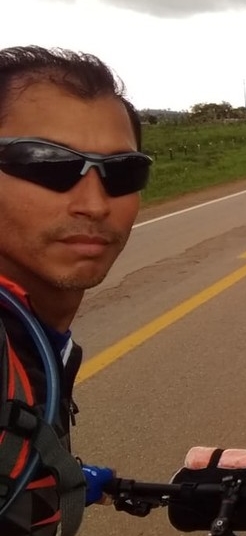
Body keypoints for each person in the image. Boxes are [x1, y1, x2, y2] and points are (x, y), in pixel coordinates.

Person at [0, 45, 151, 534]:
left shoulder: (33, 337)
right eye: (45, 163)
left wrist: (48, 475)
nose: (94, 204)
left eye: (122, 172)